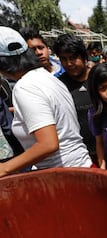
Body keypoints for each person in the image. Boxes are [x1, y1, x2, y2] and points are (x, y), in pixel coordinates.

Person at [0, 26, 92, 177]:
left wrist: (5, 168)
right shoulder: (45, 77)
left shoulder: (25, 87)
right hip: (80, 167)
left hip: (64, 176)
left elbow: (48, 144)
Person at [53, 33, 96, 162]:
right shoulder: (58, 85)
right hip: (78, 155)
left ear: (84, 56)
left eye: (73, 58)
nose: (69, 63)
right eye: (64, 59)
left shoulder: (99, 78)